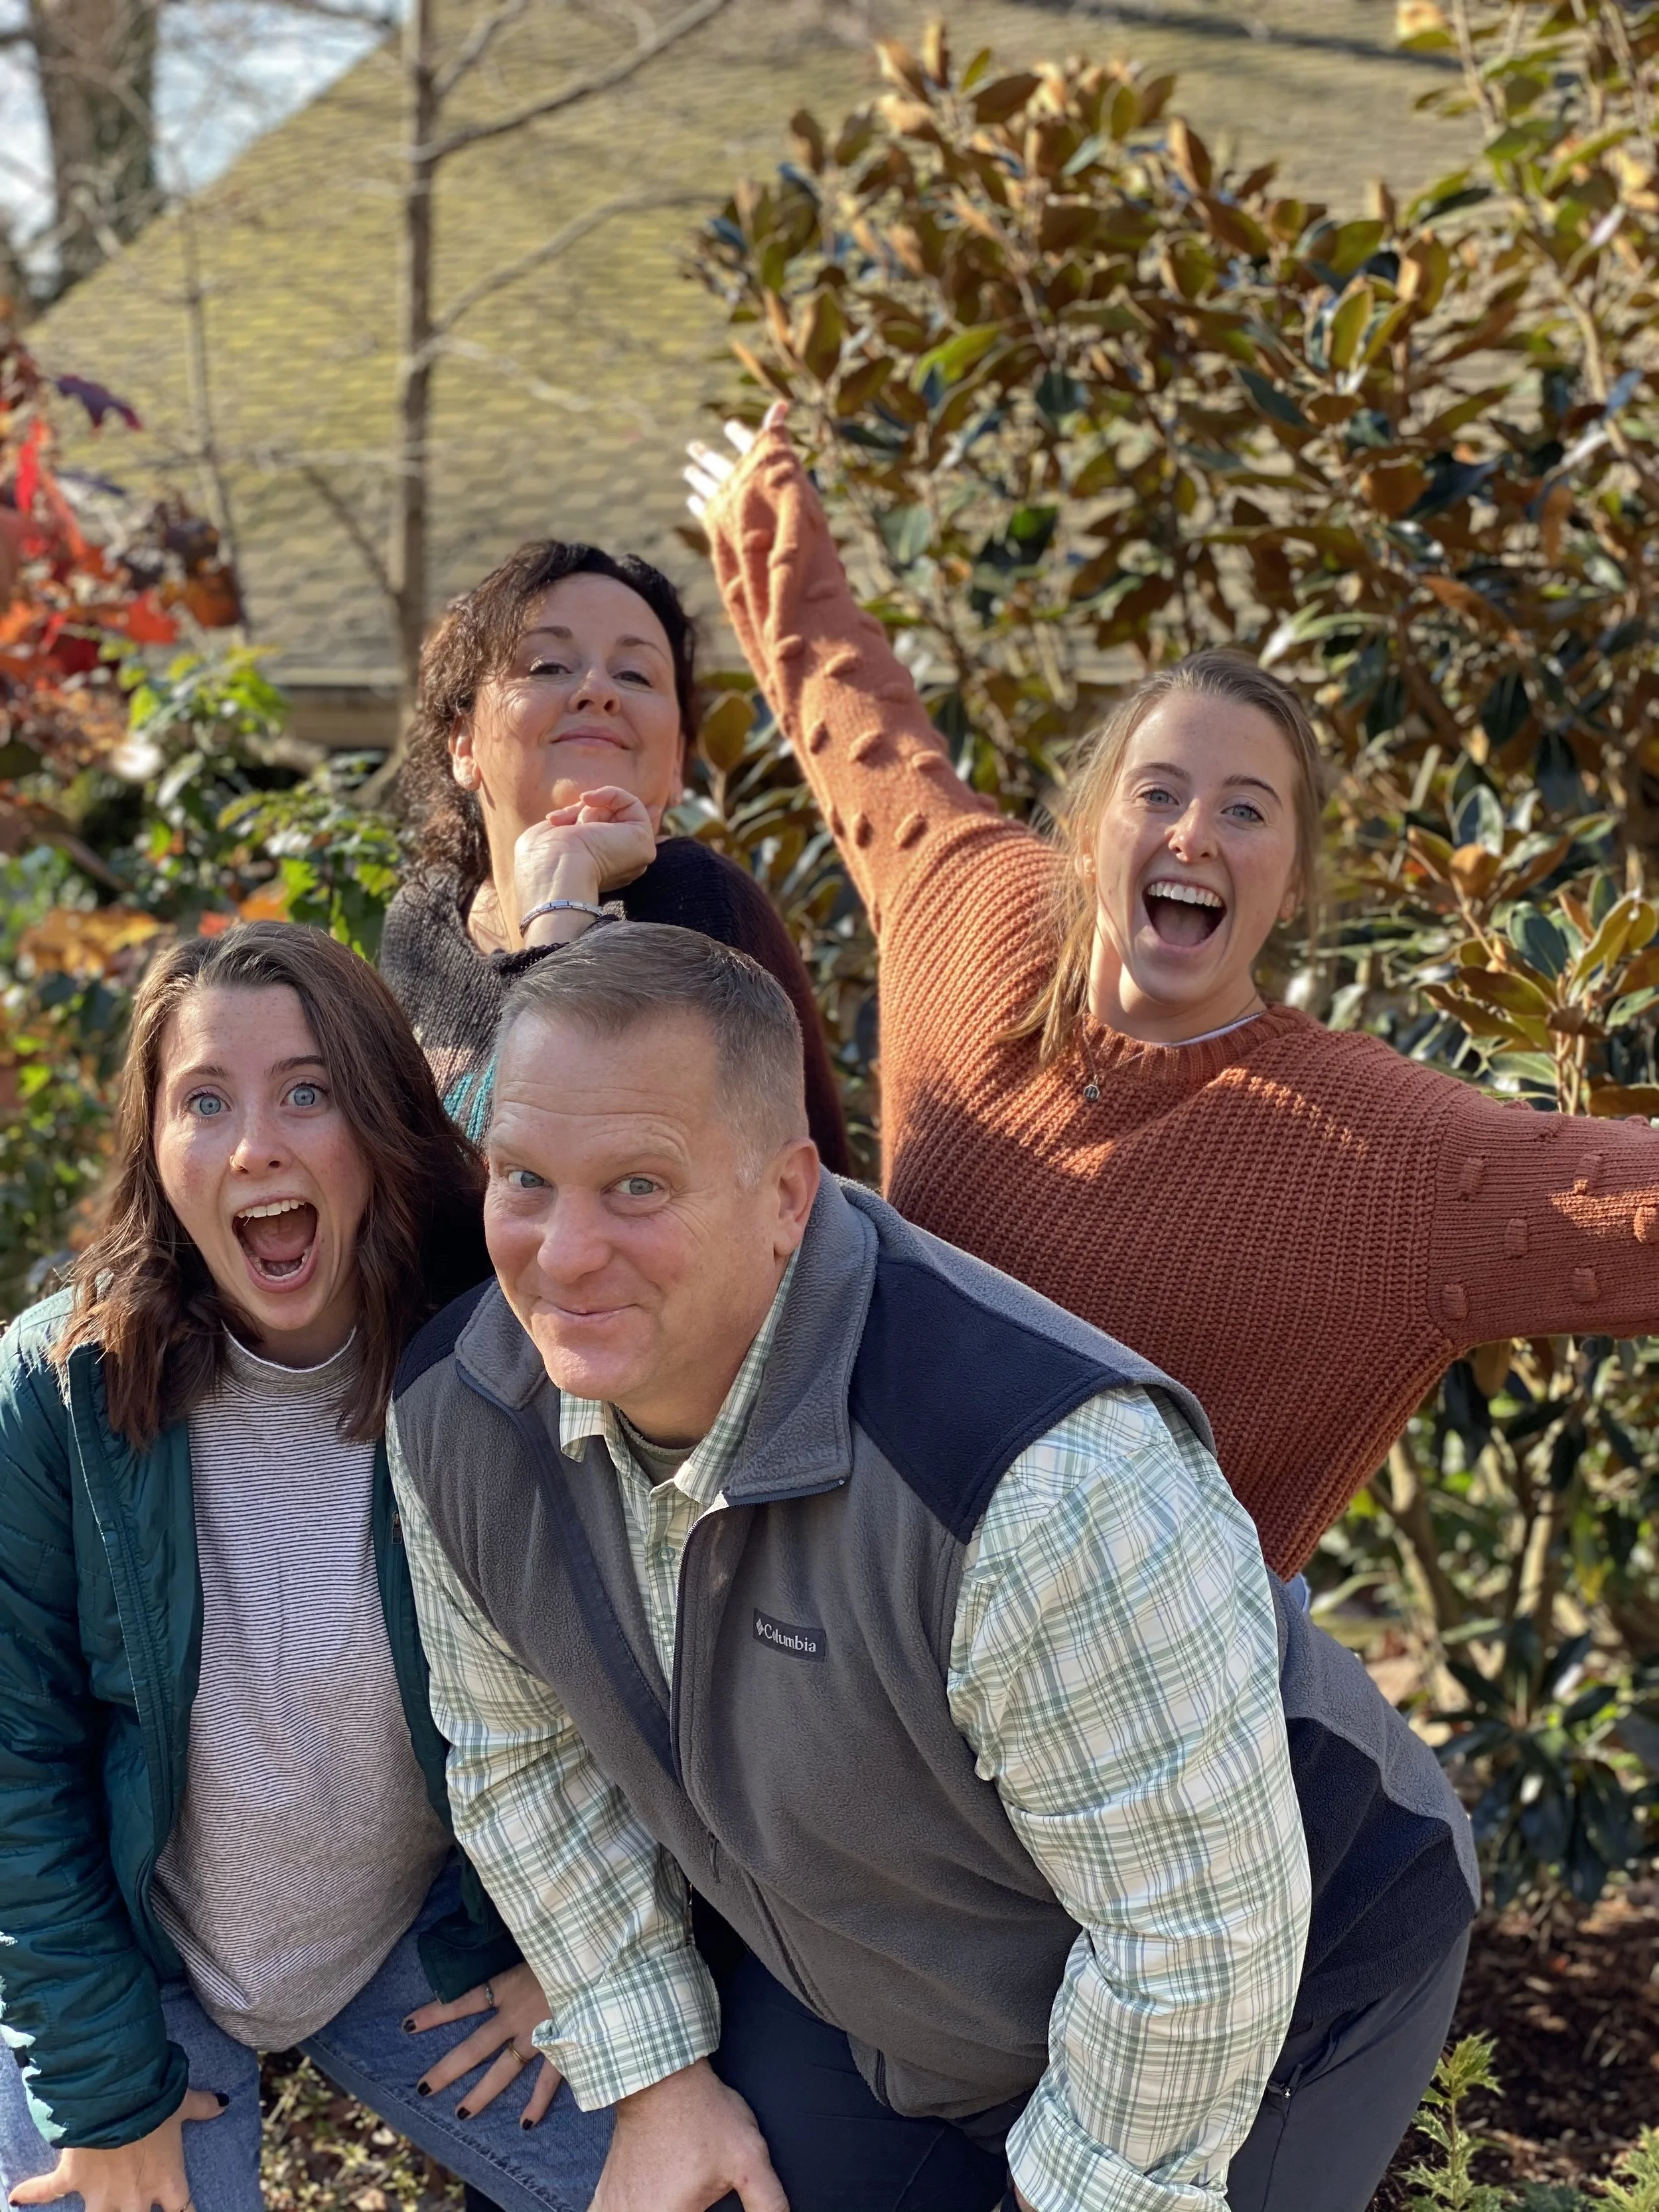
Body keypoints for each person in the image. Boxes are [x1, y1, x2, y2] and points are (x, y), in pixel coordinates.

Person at [387, 922, 1477, 2212]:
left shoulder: (1036, 1477)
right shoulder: (457, 1418)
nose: (564, 1253)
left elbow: (1190, 1943)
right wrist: (659, 2077)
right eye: (525, 1178)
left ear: (786, 1195)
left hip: (1270, 1974)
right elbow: (522, 1755)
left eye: (637, 1185)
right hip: (908, 1972)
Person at [684, 411, 1659, 1578]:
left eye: (1246, 809)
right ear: (1093, 828)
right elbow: (866, 732)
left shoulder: (1378, 1156)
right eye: (1158, 793)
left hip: (1137, 1676)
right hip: (854, 1619)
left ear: (1292, 881)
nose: (1195, 832)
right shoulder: (975, 912)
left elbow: (1628, 1205)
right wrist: (764, 520)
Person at [0, 922, 611, 2212]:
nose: (255, 1147)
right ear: (155, 1149)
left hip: (412, 1932)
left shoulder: (495, 1360)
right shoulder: (59, 1390)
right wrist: (105, 2093)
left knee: (690, 2181)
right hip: (128, 1949)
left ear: (380, 1121)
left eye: (306, 1092)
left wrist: (581, 1952)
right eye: (204, 1101)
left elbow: (635, 1664)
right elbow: (17, 1768)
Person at [380, 536, 849, 1170]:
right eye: (547, 665)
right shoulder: (421, 925)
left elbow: (566, 1174)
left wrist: (560, 902)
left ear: (676, 763)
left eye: (635, 675)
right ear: (463, 743)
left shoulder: (693, 904)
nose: (598, 690)